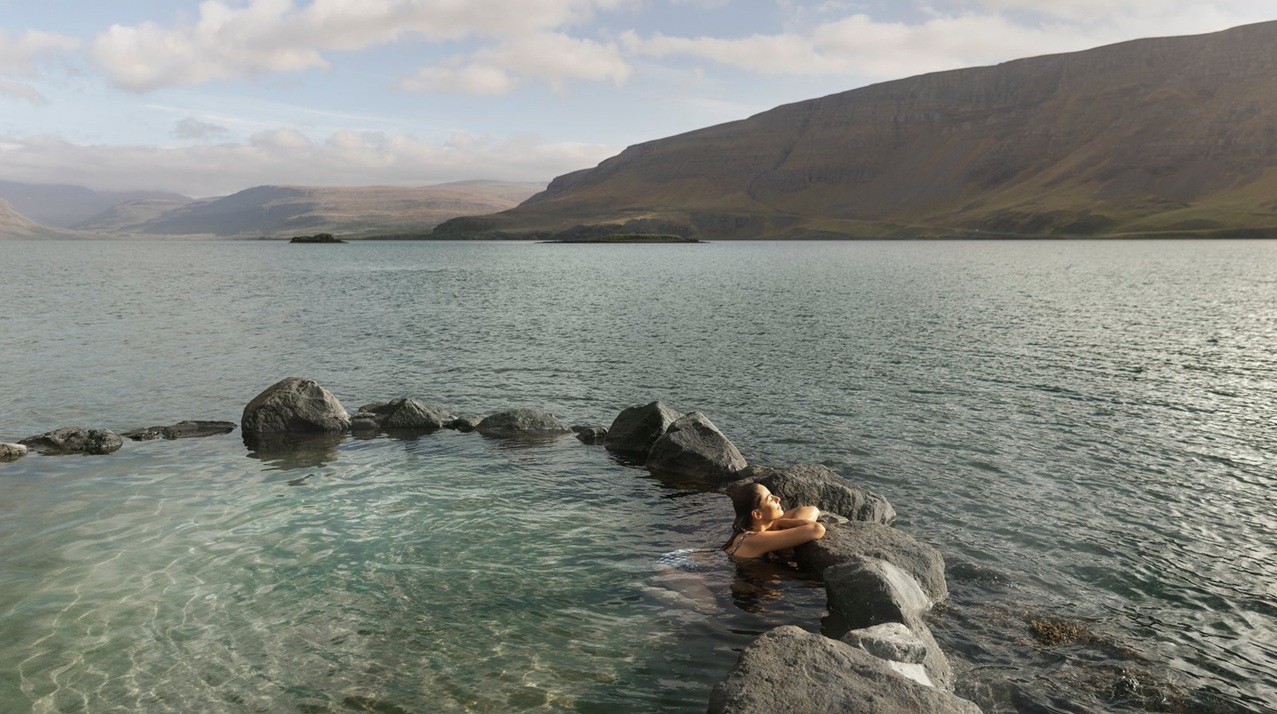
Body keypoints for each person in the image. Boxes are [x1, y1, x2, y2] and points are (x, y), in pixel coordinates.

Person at [722, 482, 825, 559]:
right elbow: (817, 529)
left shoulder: (759, 528)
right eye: (770, 499)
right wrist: (784, 524)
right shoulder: (752, 539)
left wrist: (783, 526)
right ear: (758, 514)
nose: (778, 498)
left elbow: (812, 509)